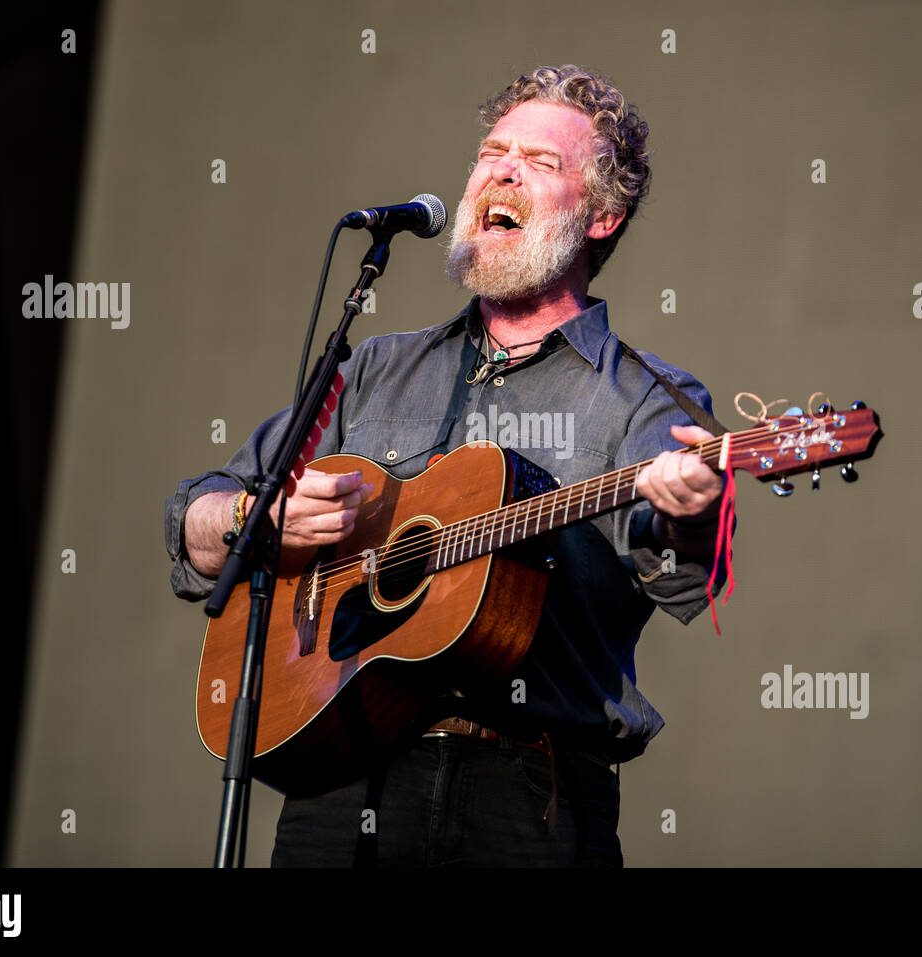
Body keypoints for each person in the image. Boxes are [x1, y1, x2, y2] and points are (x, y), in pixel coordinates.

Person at [164, 65, 735, 867]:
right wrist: (245, 522)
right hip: (343, 773)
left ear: (603, 216)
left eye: (539, 162)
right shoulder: (374, 370)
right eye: (492, 151)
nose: (500, 169)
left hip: (530, 798)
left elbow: (682, 571)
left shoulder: (647, 399)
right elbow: (198, 516)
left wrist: (688, 509)